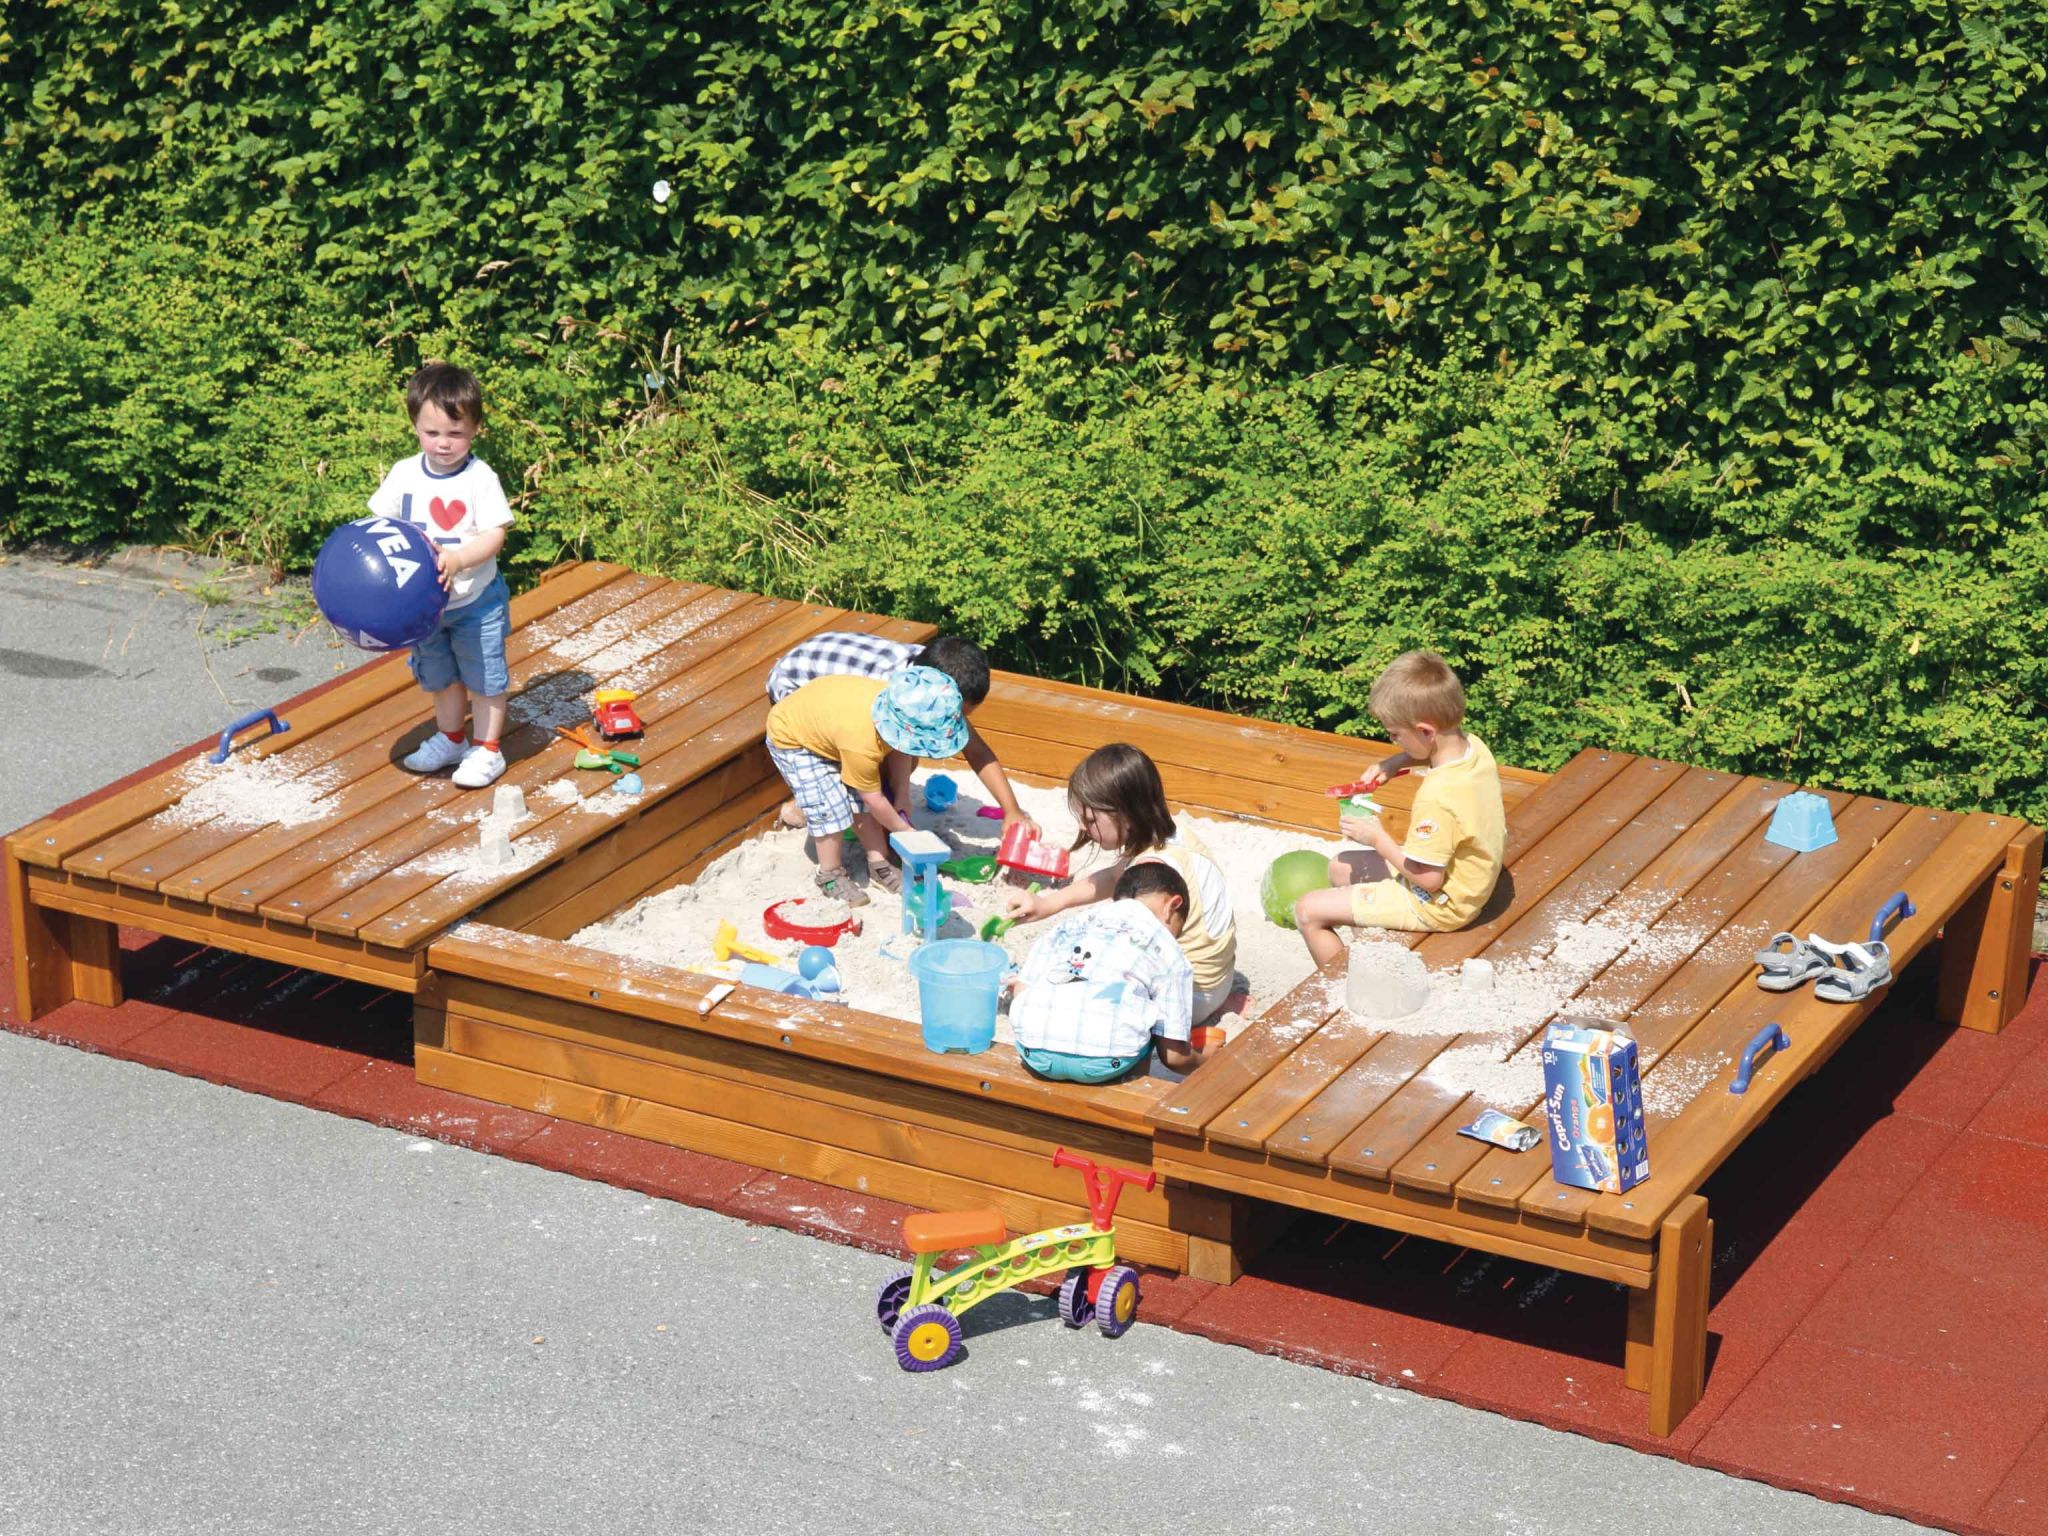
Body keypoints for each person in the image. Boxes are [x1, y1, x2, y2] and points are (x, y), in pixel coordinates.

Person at [999, 743, 1239, 1023]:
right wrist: (1048, 903)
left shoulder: (1154, 877)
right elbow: (1114, 877)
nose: (1081, 827)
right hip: (1217, 980)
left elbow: (1130, 954)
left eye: (1089, 819)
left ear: (1126, 814)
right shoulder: (1169, 835)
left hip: (1188, 998)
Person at [1293, 650, 1506, 965]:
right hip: (1471, 878)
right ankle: (1374, 947)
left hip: (1442, 903)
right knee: (1340, 866)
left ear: (1425, 731)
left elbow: (1429, 880)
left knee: (1307, 911)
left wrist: (1377, 839)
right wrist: (1398, 761)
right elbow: (1436, 746)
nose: (1395, 742)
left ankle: (1345, 991)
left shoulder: (1438, 796)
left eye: (1396, 736)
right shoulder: (1473, 748)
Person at [375, 363, 517, 790]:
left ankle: (488, 749)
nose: (443, 444)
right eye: (431, 433)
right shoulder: (404, 473)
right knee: (440, 677)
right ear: (415, 425)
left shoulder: (479, 478)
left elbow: (495, 535)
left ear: (475, 429)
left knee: (485, 677)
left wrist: (458, 559)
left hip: (475, 602)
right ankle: (452, 738)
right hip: (426, 608)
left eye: (455, 434)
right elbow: (382, 525)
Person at [766, 631, 1039, 836]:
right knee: (869, 763)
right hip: (797, 685)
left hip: (833, 677)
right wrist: (897, 821)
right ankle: (811, 802)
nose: (957, 723)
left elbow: (975, 749)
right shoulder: (896, 692)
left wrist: (1011, 811)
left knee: (903, 758)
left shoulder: (932, 676)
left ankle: (876, 806)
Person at [764, 664, 968, 906]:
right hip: (795, 739)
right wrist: (906, 832)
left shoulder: (899, 708)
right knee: (829, 807)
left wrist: (902, 794)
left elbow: (900, 750)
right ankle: (829, 873)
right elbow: (874, 799)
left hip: (833, 726)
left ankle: (878, 863)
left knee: (861, 799)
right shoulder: (863, 742)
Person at [1007, 862, 1208, 1083]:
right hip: (1104, 1064)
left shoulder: (1069, 925)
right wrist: (1207, 1059)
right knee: (1149, 1014)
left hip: (1035, 1053)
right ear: (1173, 905)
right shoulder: (1168, 948)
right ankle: (1130, 1091)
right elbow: (1174, 1057)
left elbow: (1022, 988)